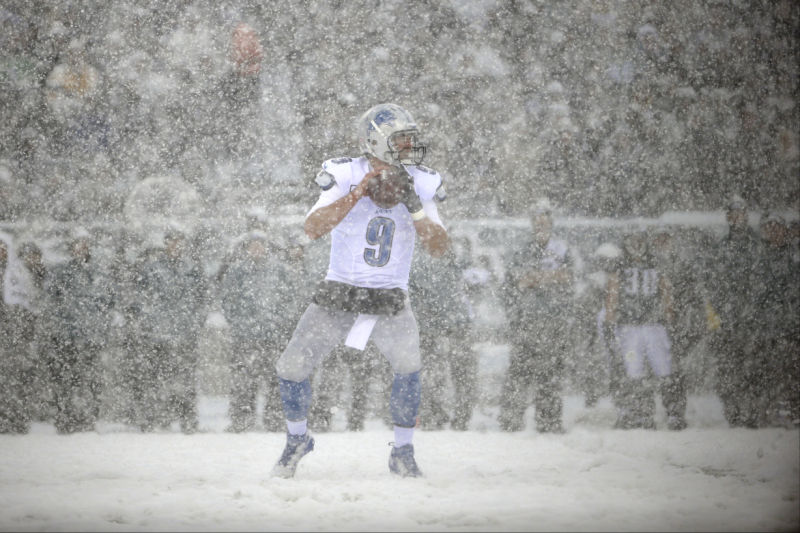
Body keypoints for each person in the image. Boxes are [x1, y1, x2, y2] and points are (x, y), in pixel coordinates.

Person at [271, 103, 449, 478]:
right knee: (291, 367)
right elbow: (313, 227)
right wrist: (358, 194)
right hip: (340, 290)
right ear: (376, 141)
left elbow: (438, 247)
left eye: (409, 139)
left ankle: (402, 451)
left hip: (389, 296)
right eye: (401, 139)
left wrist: (414, 206)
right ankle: (297, 440)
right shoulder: (345, 172)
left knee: (408, 367)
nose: (408, 146)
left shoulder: (421, 181)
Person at [498, 199, 575, 433]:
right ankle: (511, 421)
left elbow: (568, 278)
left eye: (545, 220)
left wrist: (537, 278)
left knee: (550, 374)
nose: (541, 224)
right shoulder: (521, 249)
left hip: (554, 321)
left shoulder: (562, 249)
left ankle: (549, 422)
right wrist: (548, 277)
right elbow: (518, 280)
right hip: (526, 320)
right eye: (537, 220)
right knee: (519, 373)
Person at [217, 230, 298, 432]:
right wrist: (239, 323)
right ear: (246, 249)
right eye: (253, 246)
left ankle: (274, 420)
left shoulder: (280, 271)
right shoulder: (237, 271)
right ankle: (242, 420)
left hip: (274, 336)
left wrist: (279, 321)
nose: (257, 250)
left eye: (260, 245)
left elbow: (291, 299)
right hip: (245, 337)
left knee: (275, 381)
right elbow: (227, 301)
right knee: (243, 381)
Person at [40, 229, 113, 433]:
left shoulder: (99, 273)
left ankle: (88, 418)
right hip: (66, 336)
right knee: (66, 379)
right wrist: (62, 321)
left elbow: (108, 303)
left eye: (84, 244)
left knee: (90, 379)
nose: (81, 249)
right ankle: (65, 418)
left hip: (92, 336)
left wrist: (100, 328)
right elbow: (50, 301)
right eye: (77, 245)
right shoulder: (61, 272)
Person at [705, 194, 768, 428]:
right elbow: (714, 282)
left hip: (753, 319)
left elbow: (764, 281)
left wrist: (754, 308)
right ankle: (732, 413)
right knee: (728, 370)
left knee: (753, 370)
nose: (737, 217)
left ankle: (752, 413)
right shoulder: (721, 247)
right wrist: (720, 314)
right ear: (728, 217)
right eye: (733, 213)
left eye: (741, 213)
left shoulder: (758, 245)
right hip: (727, 320)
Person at [604, 230, 677, 430]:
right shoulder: (619, 264)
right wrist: (610, 322)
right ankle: (638, 413)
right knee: (633, 372)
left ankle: (673, 413)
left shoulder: (655, 262)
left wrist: (669, 318)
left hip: (654, 325)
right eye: (632, 240)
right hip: (630, 326)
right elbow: (613, 290)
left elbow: (666, 289)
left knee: (664, 370)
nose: (636, 246)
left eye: (639, 240)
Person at [409, 247, 477, 431]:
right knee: (440, 373)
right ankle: (441, 415)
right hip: (440, 325)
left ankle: (445, 415)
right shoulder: (422, 264)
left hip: (449, 324)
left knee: (443, 373)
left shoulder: (454, 262)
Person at [757, 212, 799, 428]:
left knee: (793, 368)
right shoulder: (761, 256)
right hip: (769, 326)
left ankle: (793, 407)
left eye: (778, 227)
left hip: (792, 325)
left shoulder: (794, 254)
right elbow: (758, 291)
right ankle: (774, 408)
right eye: (769, 227)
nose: (774, 231)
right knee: (772, 368)